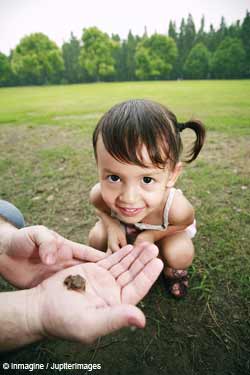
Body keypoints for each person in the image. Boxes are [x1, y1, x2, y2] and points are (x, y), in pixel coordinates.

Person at [0, 200, 163, 351]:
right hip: (73, 281)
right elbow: (70, 282)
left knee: (9, 213)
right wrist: (34, 311)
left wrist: (5, 242)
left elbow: (78, 282)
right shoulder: (71, 282)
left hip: (77, 280)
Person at [88, 99, 206, 298]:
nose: (129, 198)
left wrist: (152, 236)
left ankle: (173, 272)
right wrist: (112, 226)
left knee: (180, 252)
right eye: (114, 178)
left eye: (147, 179)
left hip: (164, 233)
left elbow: (184, 222)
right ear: (99, 167)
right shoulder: (99, 195)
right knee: (96, 237)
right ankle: (114, 264)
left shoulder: (176, 207)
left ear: (172, 175)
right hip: (127, 231)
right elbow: (99, 208)